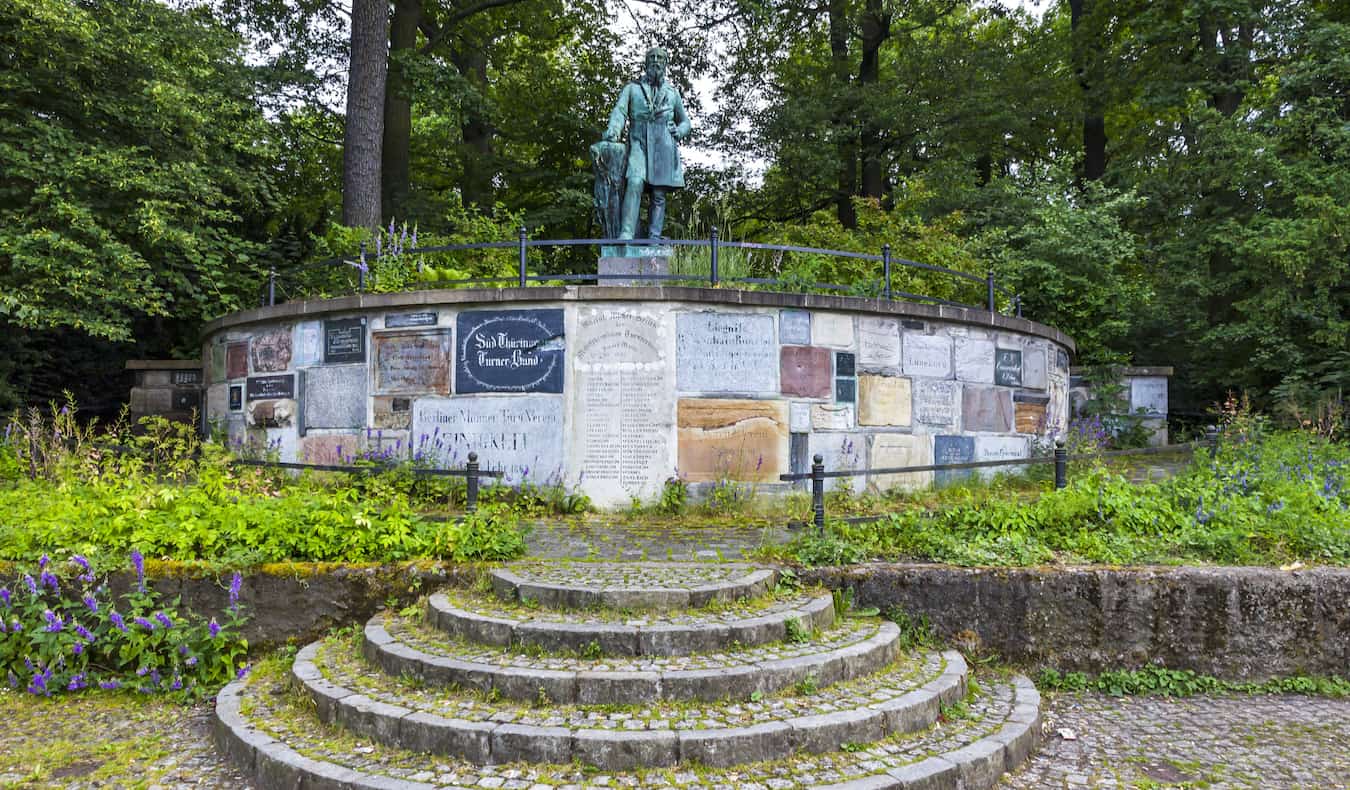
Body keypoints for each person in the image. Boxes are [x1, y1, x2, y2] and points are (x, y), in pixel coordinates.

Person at [603, 47, 692, 240]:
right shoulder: (632, 88)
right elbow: (619, 111)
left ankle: (654, 237)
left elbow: (685, 121)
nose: (656, 61)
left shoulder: (673, 93)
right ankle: (626, 233)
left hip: (663, 146)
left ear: (666, 63)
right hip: (638, 142)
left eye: (660, 58)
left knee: (658, 194)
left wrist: (680, 131)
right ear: (645, 63)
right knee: (635, 181)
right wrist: (614, 130)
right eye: (651, 57)